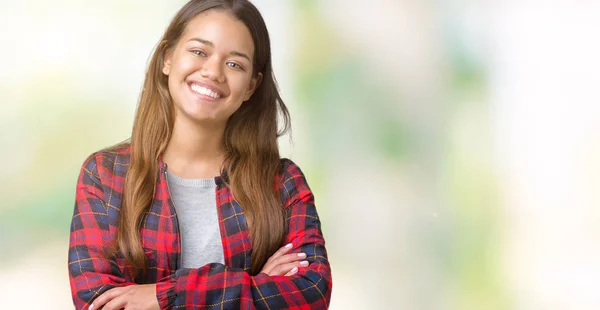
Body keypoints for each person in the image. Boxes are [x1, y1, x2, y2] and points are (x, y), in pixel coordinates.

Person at [67, 1, 332, 309]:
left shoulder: (282, 182)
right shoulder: (105, 175)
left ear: (251, 86)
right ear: (168, 58)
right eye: (199, 52)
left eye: (235, 64)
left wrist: (162, 296)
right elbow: (98, 302)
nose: (213, 72)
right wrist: (255, 284)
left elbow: (311, 293)